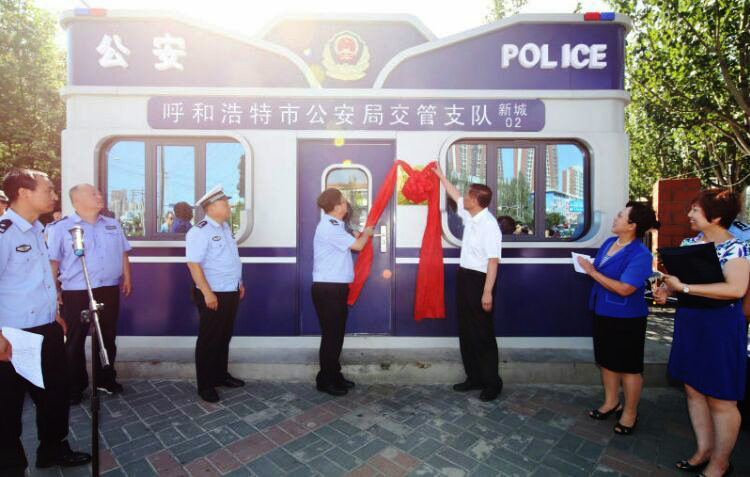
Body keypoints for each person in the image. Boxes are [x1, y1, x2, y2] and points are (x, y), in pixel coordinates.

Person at [0, 169, 91, 476]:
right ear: (23, 193)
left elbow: (38, 279)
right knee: (7, 405)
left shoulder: (39, 229)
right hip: (12, 334)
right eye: (48, 190)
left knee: (55, 395)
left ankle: (53, 450)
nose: (54, 195)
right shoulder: (4, 232)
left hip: (46, 327)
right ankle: (10, 466)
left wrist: (54, 313)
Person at [654, 189, 749, 477]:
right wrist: (666, 290)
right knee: (693, 389)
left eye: (695, 210)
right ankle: (703, 450)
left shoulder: (737, 248)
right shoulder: (689, 243)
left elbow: (735, 289)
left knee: (721, 398)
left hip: (720, 326)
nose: (689, 215)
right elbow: (681, 283)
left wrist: (683, 287)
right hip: (690, 321)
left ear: (716, 216)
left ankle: (721, 463)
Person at [577, 202, 660, 436]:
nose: (615, 218)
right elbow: (602, 269)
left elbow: (625, 288)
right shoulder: (608, 243)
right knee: (607, 361)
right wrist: (590, 266)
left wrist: (592, 272)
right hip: (602, 310)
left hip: (627, 318)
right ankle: (611, 402)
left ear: (632, 225)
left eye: (621, 216)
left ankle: (630, 413)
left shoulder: (641, 254)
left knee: (629, 368)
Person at [46, 184, 133, 404]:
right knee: (75, 340)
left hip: (109, 288)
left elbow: (123, 253)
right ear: (77, 201)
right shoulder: (61, 227)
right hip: (77, 291)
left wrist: (127, 277)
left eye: (98, 193)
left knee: (107, 337)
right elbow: (53, 262)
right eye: (93, 194)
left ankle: (105, 379)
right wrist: (54, 291)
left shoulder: (112, 224)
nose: (99, 196)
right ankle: (74, 387)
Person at [433, 168, 503, 402]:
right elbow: (454, 194)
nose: (463, 197)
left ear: (474, 200)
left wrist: (487, 292)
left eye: (467, 195)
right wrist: (441, 176)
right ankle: (474, 377)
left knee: (482, 334)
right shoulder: (470, 215)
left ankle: (492, 383)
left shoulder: (489, 225)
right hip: (465, 277)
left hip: (480, 281)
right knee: (466, 331)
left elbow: (493, 261)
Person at [186, 184, 245, 403]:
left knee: (224, 336)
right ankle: (206, 385)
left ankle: (220, 375)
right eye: (225, 204)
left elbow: (230, 258)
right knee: (209, 339)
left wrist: (239, 283)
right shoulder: (199, 231)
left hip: (230, 290)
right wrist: (207, 293)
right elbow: (193, 264)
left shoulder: (224, 228)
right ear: (211, 208)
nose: (229, 206)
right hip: (212, 293)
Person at [312, 188, 373, 396]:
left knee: (335, 335)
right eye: (343, 201)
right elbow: (358, 246)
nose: (346, 204)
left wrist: (357, 233)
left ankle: (333, 374)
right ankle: (325, 380)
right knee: (332, 336)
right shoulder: (329, 227)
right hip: (329, 289)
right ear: (336, 206)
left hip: (334, 288)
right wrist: (367, 234)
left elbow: (350, 239)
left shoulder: (336, 225)